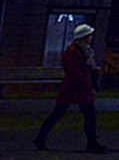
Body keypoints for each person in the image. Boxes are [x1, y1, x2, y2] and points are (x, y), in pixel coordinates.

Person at [35, 24, 108, 153]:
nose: (91, 38)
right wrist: (88, 86)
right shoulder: (73, 52)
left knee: (67, 114)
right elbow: (75, 73)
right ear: (84, 37)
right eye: (89, 35)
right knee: (65, 114)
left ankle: (91, 142)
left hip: (75, 89)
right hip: (74, 89)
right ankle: (91, 143)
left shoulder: (80, 50)